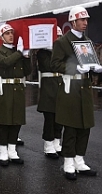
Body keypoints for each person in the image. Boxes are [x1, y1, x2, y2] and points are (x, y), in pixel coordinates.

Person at [51, 6, 102, 180]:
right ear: (73, 21)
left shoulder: (87, 41)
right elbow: (55, 64)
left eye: (86, 20)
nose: (85, 23)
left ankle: (80, 160)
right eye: (82, 20)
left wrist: (95, 68)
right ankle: (68, 162)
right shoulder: (62, 42)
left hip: (85, 88)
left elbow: (90, 62)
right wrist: (74, 67)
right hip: (70, 88)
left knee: (85, 126)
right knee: (71, 127)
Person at [0, 24, 31, 166]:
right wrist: (20, 53)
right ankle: (3, 151)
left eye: (11, 33)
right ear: (1, 36)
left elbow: (27, 71)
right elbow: (6, 62)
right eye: (7, 33)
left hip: (18, 87)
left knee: (17, 120)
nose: (10, 36)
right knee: (5, 120)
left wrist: (26, 56)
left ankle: (12, 150)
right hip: (6, 88)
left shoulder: (18, 52)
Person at [36, 26, 64, 159]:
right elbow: (50, 66)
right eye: (56, 36)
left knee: (60, 117)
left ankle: (57, 142)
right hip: (48, 87)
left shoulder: (62, 52)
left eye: (59, 36)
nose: (58, 39)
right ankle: (48, 144)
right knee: (50, 117)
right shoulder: (43, 53)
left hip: (60, 85)